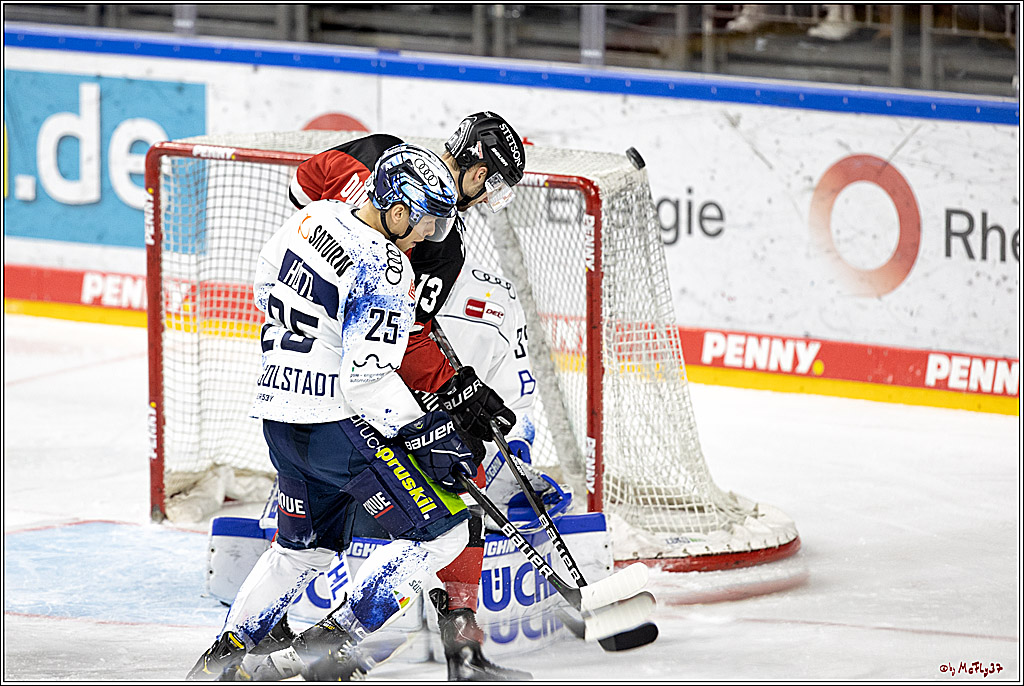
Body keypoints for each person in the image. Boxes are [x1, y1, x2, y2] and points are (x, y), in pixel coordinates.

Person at [187, 143, 478, 681]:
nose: (425, 238)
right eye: (426, 224)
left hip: (279, 416)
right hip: (336, 431)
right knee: (444, 534)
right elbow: (366, 381)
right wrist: (427, 432)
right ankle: (329, 643)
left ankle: (222, 661)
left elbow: (261, 284)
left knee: (302, 552)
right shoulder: (386, 270)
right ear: (399, 207)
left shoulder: (313, 217)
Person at [277, 112, 533, 682]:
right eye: (488, 182)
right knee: (406, 510)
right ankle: (319, 637)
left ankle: (453, 647)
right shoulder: (375, 157)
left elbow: (405, 332)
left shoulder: (445, 249)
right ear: (467, 155)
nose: (486, 197)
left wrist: (451, 385)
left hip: (369, 367)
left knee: (447, 491)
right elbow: (305, 184)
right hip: (330, 371)